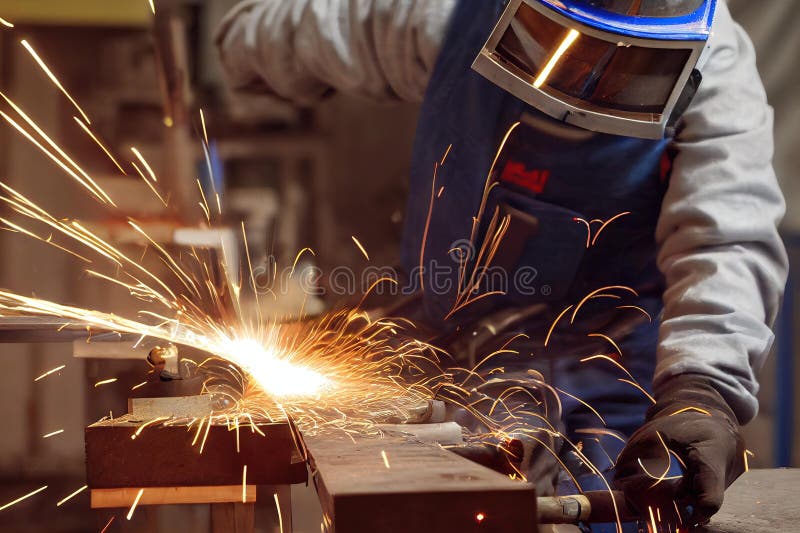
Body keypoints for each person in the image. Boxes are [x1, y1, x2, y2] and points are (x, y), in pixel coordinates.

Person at [216, 0, 787, 529]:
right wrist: (229, 50)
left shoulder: (719, 79)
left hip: (608, 392)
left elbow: (723, 243)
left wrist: (700, 389)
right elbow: (296, 36)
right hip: (449, 361)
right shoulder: (443, 20)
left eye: (624, 67)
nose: (580, 84)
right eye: (554, 43)